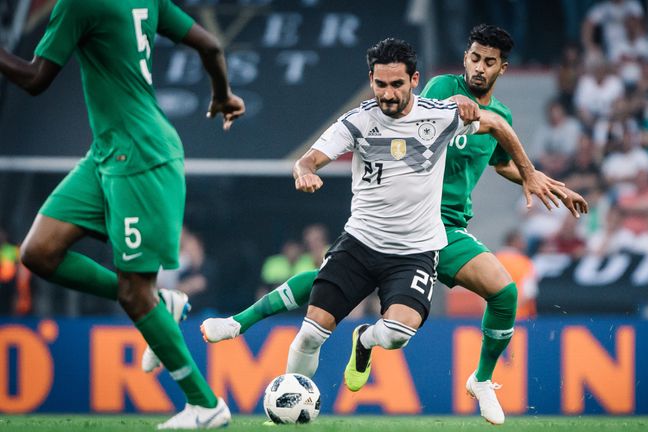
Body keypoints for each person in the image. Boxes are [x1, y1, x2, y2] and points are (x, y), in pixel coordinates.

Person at [201, 27, 588, 425]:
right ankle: (249, 333)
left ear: (502, 68)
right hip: (383, 227)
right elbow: (421, 110)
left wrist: (532, 175)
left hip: (437, 230)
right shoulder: (436, 90)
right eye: (474, 57)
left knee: (501, 294)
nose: (478, 67)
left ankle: (475, 377)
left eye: (488, 61)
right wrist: (305, 169)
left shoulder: (479, 115)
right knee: (322, 300)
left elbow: (497, 149)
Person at [0, 0, 245, 428]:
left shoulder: (78, 4)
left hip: (139, 156)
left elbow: (36, 78)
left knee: (136, 293)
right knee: (38, 253)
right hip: (106, 152)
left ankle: (205, 405)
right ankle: (162, 302)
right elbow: (209, 45)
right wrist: (222, 95)